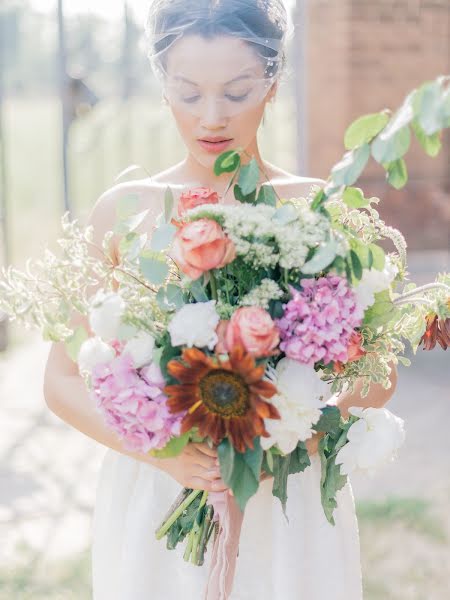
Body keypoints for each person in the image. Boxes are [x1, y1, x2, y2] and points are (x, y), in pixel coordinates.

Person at [43, 1, 398, 598]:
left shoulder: (319, 208)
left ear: (273, 84)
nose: (212, 117)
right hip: (160, 494)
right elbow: (61, 381)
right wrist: (165, 455)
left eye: (237, 92)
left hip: (286, 494)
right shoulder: (123, 212)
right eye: (188, 93)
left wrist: (294, 429)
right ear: (163, 88)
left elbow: (378, 371)